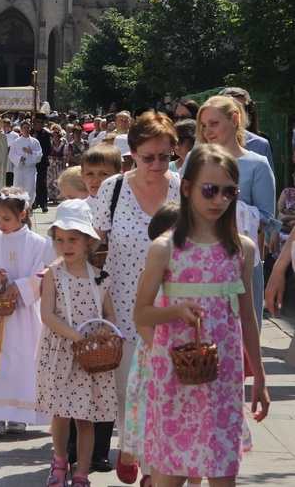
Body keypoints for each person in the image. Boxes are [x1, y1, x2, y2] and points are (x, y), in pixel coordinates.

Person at [134, 144, 269, 486]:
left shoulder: (241, 249)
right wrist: (176, 311)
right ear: (187, 188)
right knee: (172, 474)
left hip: (223, 378)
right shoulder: (165, 248)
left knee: (223, 472)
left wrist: (261, 379)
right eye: (210, 190)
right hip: (174, 377)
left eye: (229, 191)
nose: (219, 199)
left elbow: (248, 318)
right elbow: (142, 313)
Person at [92, 111, 181, 484]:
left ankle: (151, 468)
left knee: (166, 394)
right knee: (129, 391)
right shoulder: (112, 189)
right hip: (123, 309)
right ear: (133, 153)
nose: (158, 165)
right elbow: (90, 246)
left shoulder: (184, 188)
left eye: (165, 156)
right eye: (149, 157)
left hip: (171, 309)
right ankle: (133, 449)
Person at [38, 199, 118, 487]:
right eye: (60, 239)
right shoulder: (53, 275)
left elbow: (109, 314)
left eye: (73, 238)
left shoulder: (100, 278)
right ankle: (60, 460)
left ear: (87, 241)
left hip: (91, 358)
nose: (66, 245)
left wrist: (105, 334)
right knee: (61, 413)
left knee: (87, 417)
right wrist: (76, 336)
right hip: (62, 353)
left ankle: (82, 472)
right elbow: (47, 315)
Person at [195, 96, 276, 329]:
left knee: (244, 336)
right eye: (203, 125)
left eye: (213, 123)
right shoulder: (195, 160)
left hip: (242, 261)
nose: (207, 131)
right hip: (200, 261)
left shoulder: (257, 163)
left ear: (234, 120)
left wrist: (223, 210)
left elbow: (265, 218)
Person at [0, 187, 48, 436]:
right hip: (1, 318)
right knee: (0, 361)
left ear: (23, 214)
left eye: (7, 219)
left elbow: (43, 274)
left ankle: (21, 416)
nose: (1, 224)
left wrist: (19, 286)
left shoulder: (38, 243)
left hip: (26, 316)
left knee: (25, 360)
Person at [123, 200, 180, 487]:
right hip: (155, 353)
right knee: (150, 417)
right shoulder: (151, 271)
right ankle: (142, 464)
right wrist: (161, 351)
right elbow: (141, 317)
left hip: (183, 356)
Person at [218, 87, 274, 172]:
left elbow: (267, 182)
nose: (238, 113)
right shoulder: (203, 143)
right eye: (228, 109)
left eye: (244, 108)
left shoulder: (260, 145)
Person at [8, 119, 43, 202]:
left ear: (30, 128)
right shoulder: (16, 142)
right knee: (18, 188)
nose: (26, 129)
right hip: (19, 168)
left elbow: (39, 155)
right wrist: (19, 158)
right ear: (21, 129)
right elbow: (11, 154)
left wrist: (31, 152)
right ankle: (19, 206)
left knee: (30, 188)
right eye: (24, 128)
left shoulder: (35, 142)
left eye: (28, 128)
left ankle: (29, 206)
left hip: (30, 168)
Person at [32, 112, 52, 212]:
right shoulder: (31, 132)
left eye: (41, 122)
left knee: (42, 183)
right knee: (32, 182)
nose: (39, 124)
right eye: (38, 122)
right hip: (31, 162)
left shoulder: (47, 134)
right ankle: (33, 202)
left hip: (42, 162)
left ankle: (43, 203)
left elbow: (48, 149)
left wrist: (39, 156)